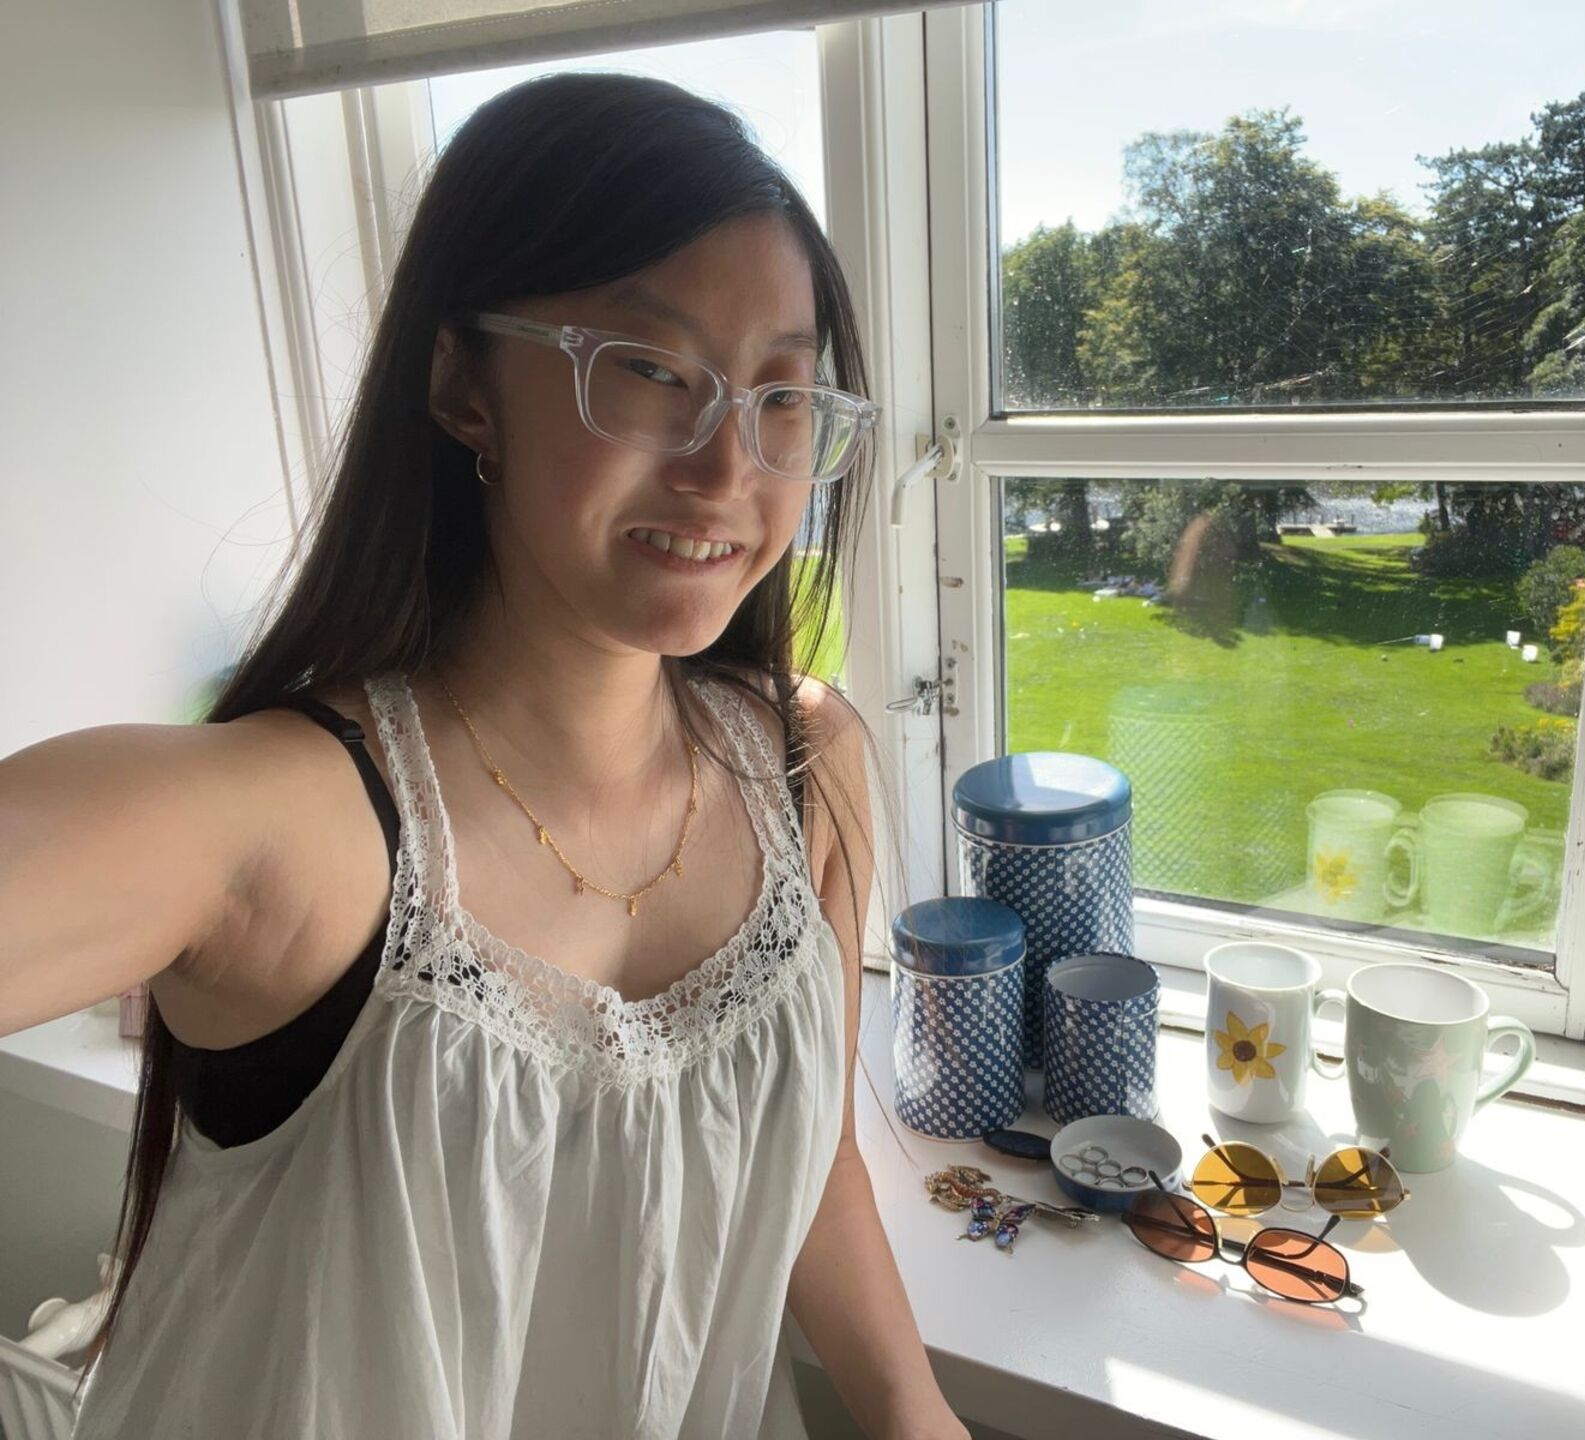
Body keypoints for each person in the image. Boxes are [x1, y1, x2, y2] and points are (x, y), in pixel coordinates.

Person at [0, 72, 968, 1440]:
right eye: (649, 371)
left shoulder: (806, 762)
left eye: (784, 397)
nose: (725, 471)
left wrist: (920, 1419)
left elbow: (812, 1163)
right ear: (464, 385)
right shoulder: (289, 818)